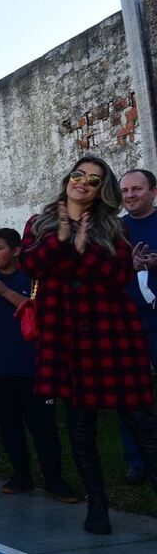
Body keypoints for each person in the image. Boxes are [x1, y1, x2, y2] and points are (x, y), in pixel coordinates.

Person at [20, 155, 157, 534]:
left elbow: (118, 276)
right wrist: (63, 240)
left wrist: (85, 248)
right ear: (68, 179)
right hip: (65, 336)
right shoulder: (41, 223)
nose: (83, 182)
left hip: (113, 332)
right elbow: (31, 267)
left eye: (94, 180)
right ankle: (97, 507)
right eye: (78, 175)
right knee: (81, 426)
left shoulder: (113, 225)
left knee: (141, 420)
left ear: (101, 190)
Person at [0, 228, 77, 502]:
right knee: (8, 426)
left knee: (43, 428)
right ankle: (21, 475)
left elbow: (37, 311)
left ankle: (54, 479)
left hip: (33, 366)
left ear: (16, 250)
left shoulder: (31, 278)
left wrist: (3, 289)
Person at [118, 167, 157, 484]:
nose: (130, 195)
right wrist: (129, 267)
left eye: (137, 189)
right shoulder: (116, 230)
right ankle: (136, 459)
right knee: (129, 393)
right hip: (127, 322)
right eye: (125, 190)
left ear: (153, 191)